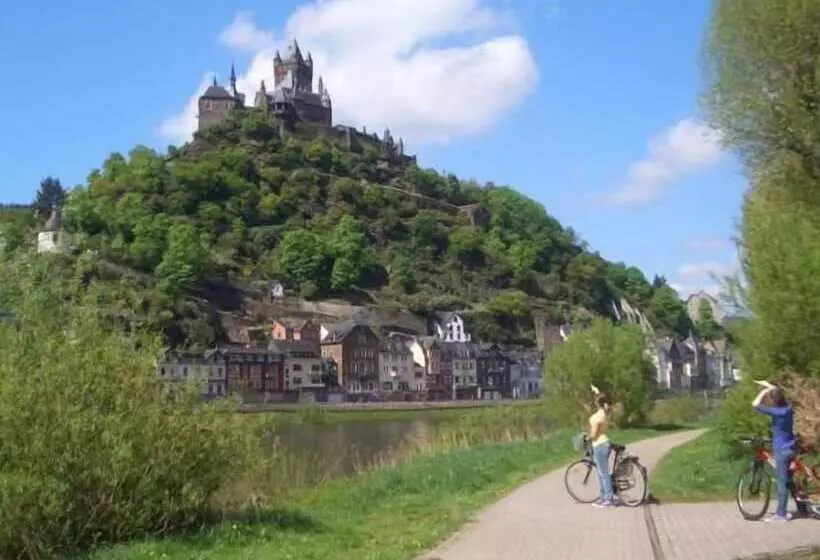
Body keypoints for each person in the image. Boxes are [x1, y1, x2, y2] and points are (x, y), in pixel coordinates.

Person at [752, 380, 799, 522]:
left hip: (781, 450)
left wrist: (764, 391)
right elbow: (782, 397)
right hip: (792, 448)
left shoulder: (776, 412)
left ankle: (781, 514)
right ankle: (802, 506)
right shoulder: (789, 409)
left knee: (781, 482)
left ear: (773, 401)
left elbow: (755, 404)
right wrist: (772, 388)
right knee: (788, 480)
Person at [589, 384, 616, 508]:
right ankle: (603, 496)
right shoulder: (603, 413)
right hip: (602, 443)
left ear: (597, 403)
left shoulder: (598, 416)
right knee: (601, 473)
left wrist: (587, 438)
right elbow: (600, 397)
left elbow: (595, 434)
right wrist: (596, 391)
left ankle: (609, 499)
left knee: (603, 473)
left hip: (599, 444)